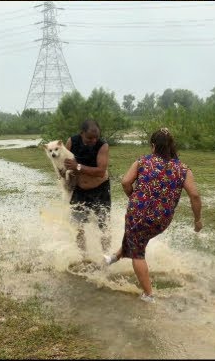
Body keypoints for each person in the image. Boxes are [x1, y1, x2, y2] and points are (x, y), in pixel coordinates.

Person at [103, 127, 203, 303]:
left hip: (138, 212)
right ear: (172, 145)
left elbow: (126, 182)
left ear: (153, 145)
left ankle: (148, 294)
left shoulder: (143, 162)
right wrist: (197, 220)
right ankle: (113, 258)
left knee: (138, 252)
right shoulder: (183, 169)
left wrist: (133, 196)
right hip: (162, 219)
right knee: (136, 238)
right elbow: (194, 195)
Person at [64, 120, 111, 254]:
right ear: (82, 134)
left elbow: (101, 171)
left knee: (104, 225)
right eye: (90, 138)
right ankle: (83, 257)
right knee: (78, 226)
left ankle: (106, 257)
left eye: (96, 137)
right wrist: (64, 175)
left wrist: (77, 167)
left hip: (100, 189)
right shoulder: (72, 142)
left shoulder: (103, 146)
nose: (93, 140)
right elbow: (64, 163)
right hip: (79, 190)